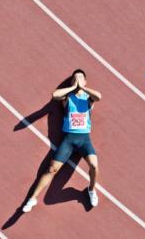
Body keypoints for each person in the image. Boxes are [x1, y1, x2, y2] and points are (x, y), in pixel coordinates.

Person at [23, 69, 102, 212]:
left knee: (94, 166)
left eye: (80, 78)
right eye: (75, 79)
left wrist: (82, 88)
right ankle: (32, 199)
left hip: (84, 140)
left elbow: (99, 96)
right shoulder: (67, 98)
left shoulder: (88, 98)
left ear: (85, 81)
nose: (77, 81)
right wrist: (73, 87)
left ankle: (91, 189)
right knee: (51, 169)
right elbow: (55, 95)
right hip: (69, 140)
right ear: (72, 82)